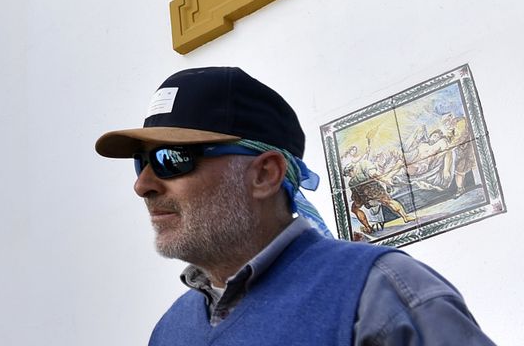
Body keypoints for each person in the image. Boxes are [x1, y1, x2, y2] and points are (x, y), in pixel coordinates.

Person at [95, 66, 495, 345]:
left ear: (265, 174)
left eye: (170, 159)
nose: (142, 185)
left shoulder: (379, 294)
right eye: (141, 162)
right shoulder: (170, 331)